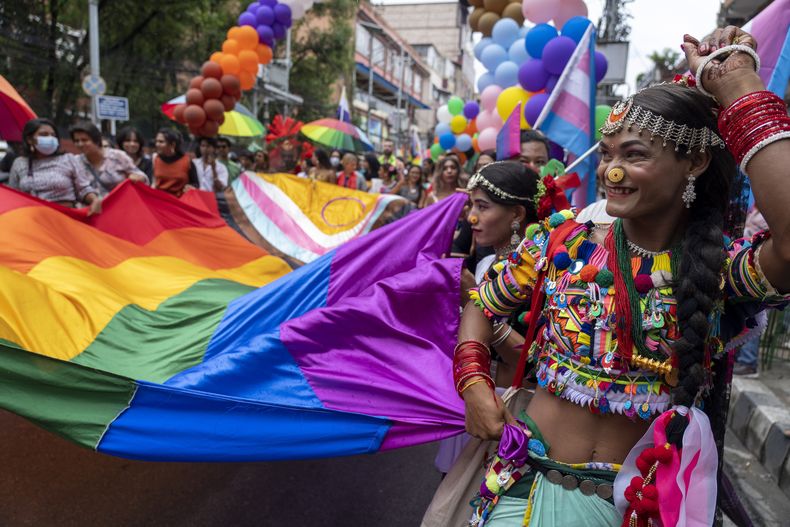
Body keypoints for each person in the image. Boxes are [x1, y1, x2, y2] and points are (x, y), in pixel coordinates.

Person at [453, 27, 789, 527]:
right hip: (518, 487)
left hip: (628, 509)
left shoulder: (719, 271)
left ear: (694, 161)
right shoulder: (563, 241)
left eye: (634, 155)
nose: (612, 172)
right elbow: (484, 304)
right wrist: (475, 384)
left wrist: (739, 87)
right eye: (608, 154)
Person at [435, 161, 540, 475]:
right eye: (471, 206)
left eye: (483, 206)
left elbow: (535, 363)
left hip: (509, 412)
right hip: (476, 399)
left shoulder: (536, 272)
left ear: (517, 215)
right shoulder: (490, 262)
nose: (472, 217)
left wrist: (477, 302)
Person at [8, 118, 101, 214]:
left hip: (64, 217)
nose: (50, 138)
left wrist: (94, 200)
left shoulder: (68, 159)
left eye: (53, 135)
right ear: (29, 140)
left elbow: (83, 189)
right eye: (44, 135)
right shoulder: (19, 163)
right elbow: (13, 196)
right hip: (32, 220)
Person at [70, 121, 147, 197]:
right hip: (90, 208)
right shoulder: (76, 162)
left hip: (118, 205)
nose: (80, 144)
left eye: (84, 140)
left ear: (96, 140)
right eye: (76, 141)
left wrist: (137, 177)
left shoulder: (117, 156)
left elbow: (142, 177)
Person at [152, 128, 198, 197]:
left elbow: (196, 184)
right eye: (156, 141)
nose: (157, 144)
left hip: (179, 202)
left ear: (172, 144)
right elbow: (154, 181)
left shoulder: (187, 161)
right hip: (158, 201)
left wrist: (191, 187)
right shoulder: (155, 159)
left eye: (161, 142)